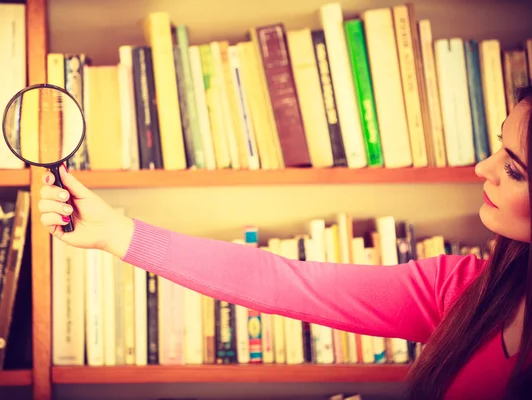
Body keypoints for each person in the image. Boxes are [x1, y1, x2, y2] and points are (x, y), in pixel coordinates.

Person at [37, 86, 532, 400]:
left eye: (512, 168)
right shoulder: (464, 290)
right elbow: (279, 281)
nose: (482, 168)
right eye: (497, 146)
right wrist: (115, 232)